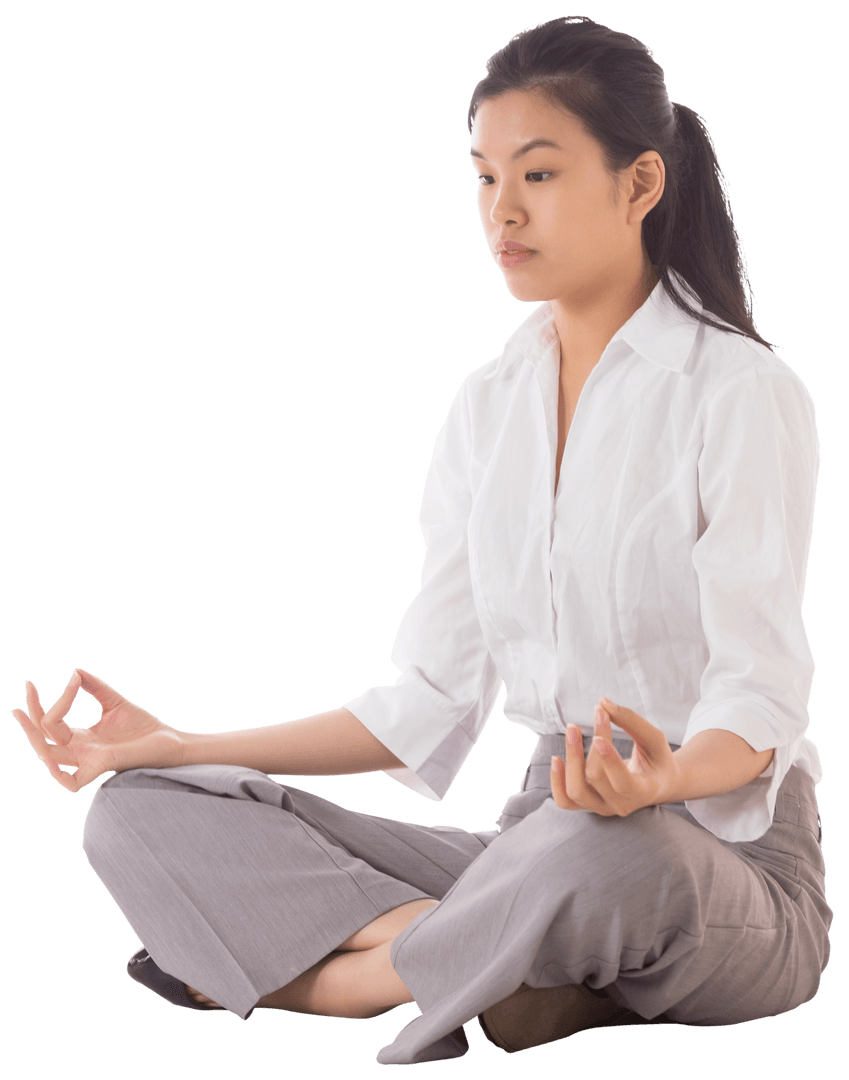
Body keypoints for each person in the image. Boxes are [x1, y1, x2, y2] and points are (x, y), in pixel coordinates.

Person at [11, 15, 831, 1066]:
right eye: (484, 177)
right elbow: (424, 706)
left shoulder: (742, 392)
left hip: (717, 853)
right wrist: (181, 747)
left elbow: (761, 701)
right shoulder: (488, 410)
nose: (502, 210)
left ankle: (350, 978)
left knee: (603, 851)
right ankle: (487, 965)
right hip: (536, 841)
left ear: (640, 185)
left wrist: (652, 786)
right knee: (136, 813)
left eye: (537, 174)